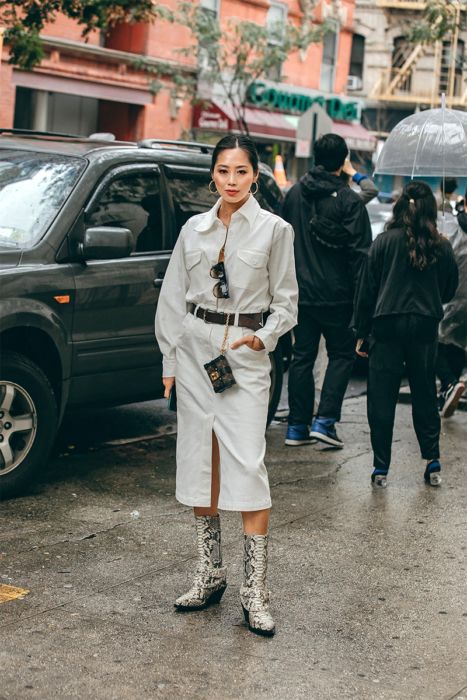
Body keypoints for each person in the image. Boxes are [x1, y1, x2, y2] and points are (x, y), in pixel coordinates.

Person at [154, 134, 298, 637]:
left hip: (244, 358)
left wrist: (262, 338)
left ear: (256, 175)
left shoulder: (276, 230)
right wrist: (169, 358)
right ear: (212, 175)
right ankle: (210, 573)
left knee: (247, 463)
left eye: (241, 171)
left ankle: (254, 592)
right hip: (196, 353)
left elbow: (287, 302)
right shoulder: (194, 230)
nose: (231, 181)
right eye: (223, 171)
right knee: (200, 461)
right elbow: (174, 297)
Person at [353, 181, 458, 489]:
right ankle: (432, 460)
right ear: (430, 210)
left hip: (386, 324)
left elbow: (367, 290)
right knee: (425, 391)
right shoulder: (442, 245)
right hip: (425, 325)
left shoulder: (384, 242)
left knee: (381, 396)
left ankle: (381, 467)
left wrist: (361, 331)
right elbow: (450, 289)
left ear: (400, 207)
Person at [282, 133, 372, 448]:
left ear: (315, 158)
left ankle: (296, 427)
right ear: (343, 161)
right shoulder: (350, 201)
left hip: (299, 294)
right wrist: (364, 307)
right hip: (338, 296)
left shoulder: (293, 195)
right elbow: (362, 259)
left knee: (301, 357)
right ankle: (325, 420)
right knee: (342, 354)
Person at [436, 191, 467, 417]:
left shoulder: (452, 229)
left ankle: (448, 384)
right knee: (456, 344)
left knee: (433, 344)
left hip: (447, 298)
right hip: (463, 305)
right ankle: (448, 390)